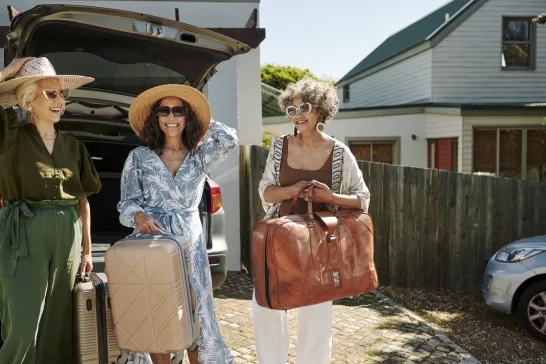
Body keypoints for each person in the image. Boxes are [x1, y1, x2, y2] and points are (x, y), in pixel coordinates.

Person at [253, 78, 371, 363]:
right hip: (279, 240)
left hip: (321, 243)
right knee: (266, 306)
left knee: (317, 315)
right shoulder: (280, 147)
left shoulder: (340, 152)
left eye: (304, 107)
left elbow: (362, 199)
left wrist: (331, 196)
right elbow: (266, 191)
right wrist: (294, 191)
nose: (298, 115)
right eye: (291, 110)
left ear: (320, 110)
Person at [117, 84, 237, 364]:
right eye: (164, 111)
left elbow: (229, 139)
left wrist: (204, 121)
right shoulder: (139, 157)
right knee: (157, 313)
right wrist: (140, 216)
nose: (171, 117)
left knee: (195, 316)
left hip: (190, 244)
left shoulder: (200, 154)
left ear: (187, 117)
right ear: (155, 117)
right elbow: (127, 202)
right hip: (152, 242)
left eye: (179, 111)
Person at [0, 57, 101, 363]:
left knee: (59, 322)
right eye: (51, 93)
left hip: (67, 233)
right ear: (28, 101)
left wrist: (87, 250)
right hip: (24, 231)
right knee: (23, 323)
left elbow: (83, 200)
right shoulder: (9, 138)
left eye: (62, 95)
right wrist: (8, 72)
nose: (60, 101)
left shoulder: (73, 145)